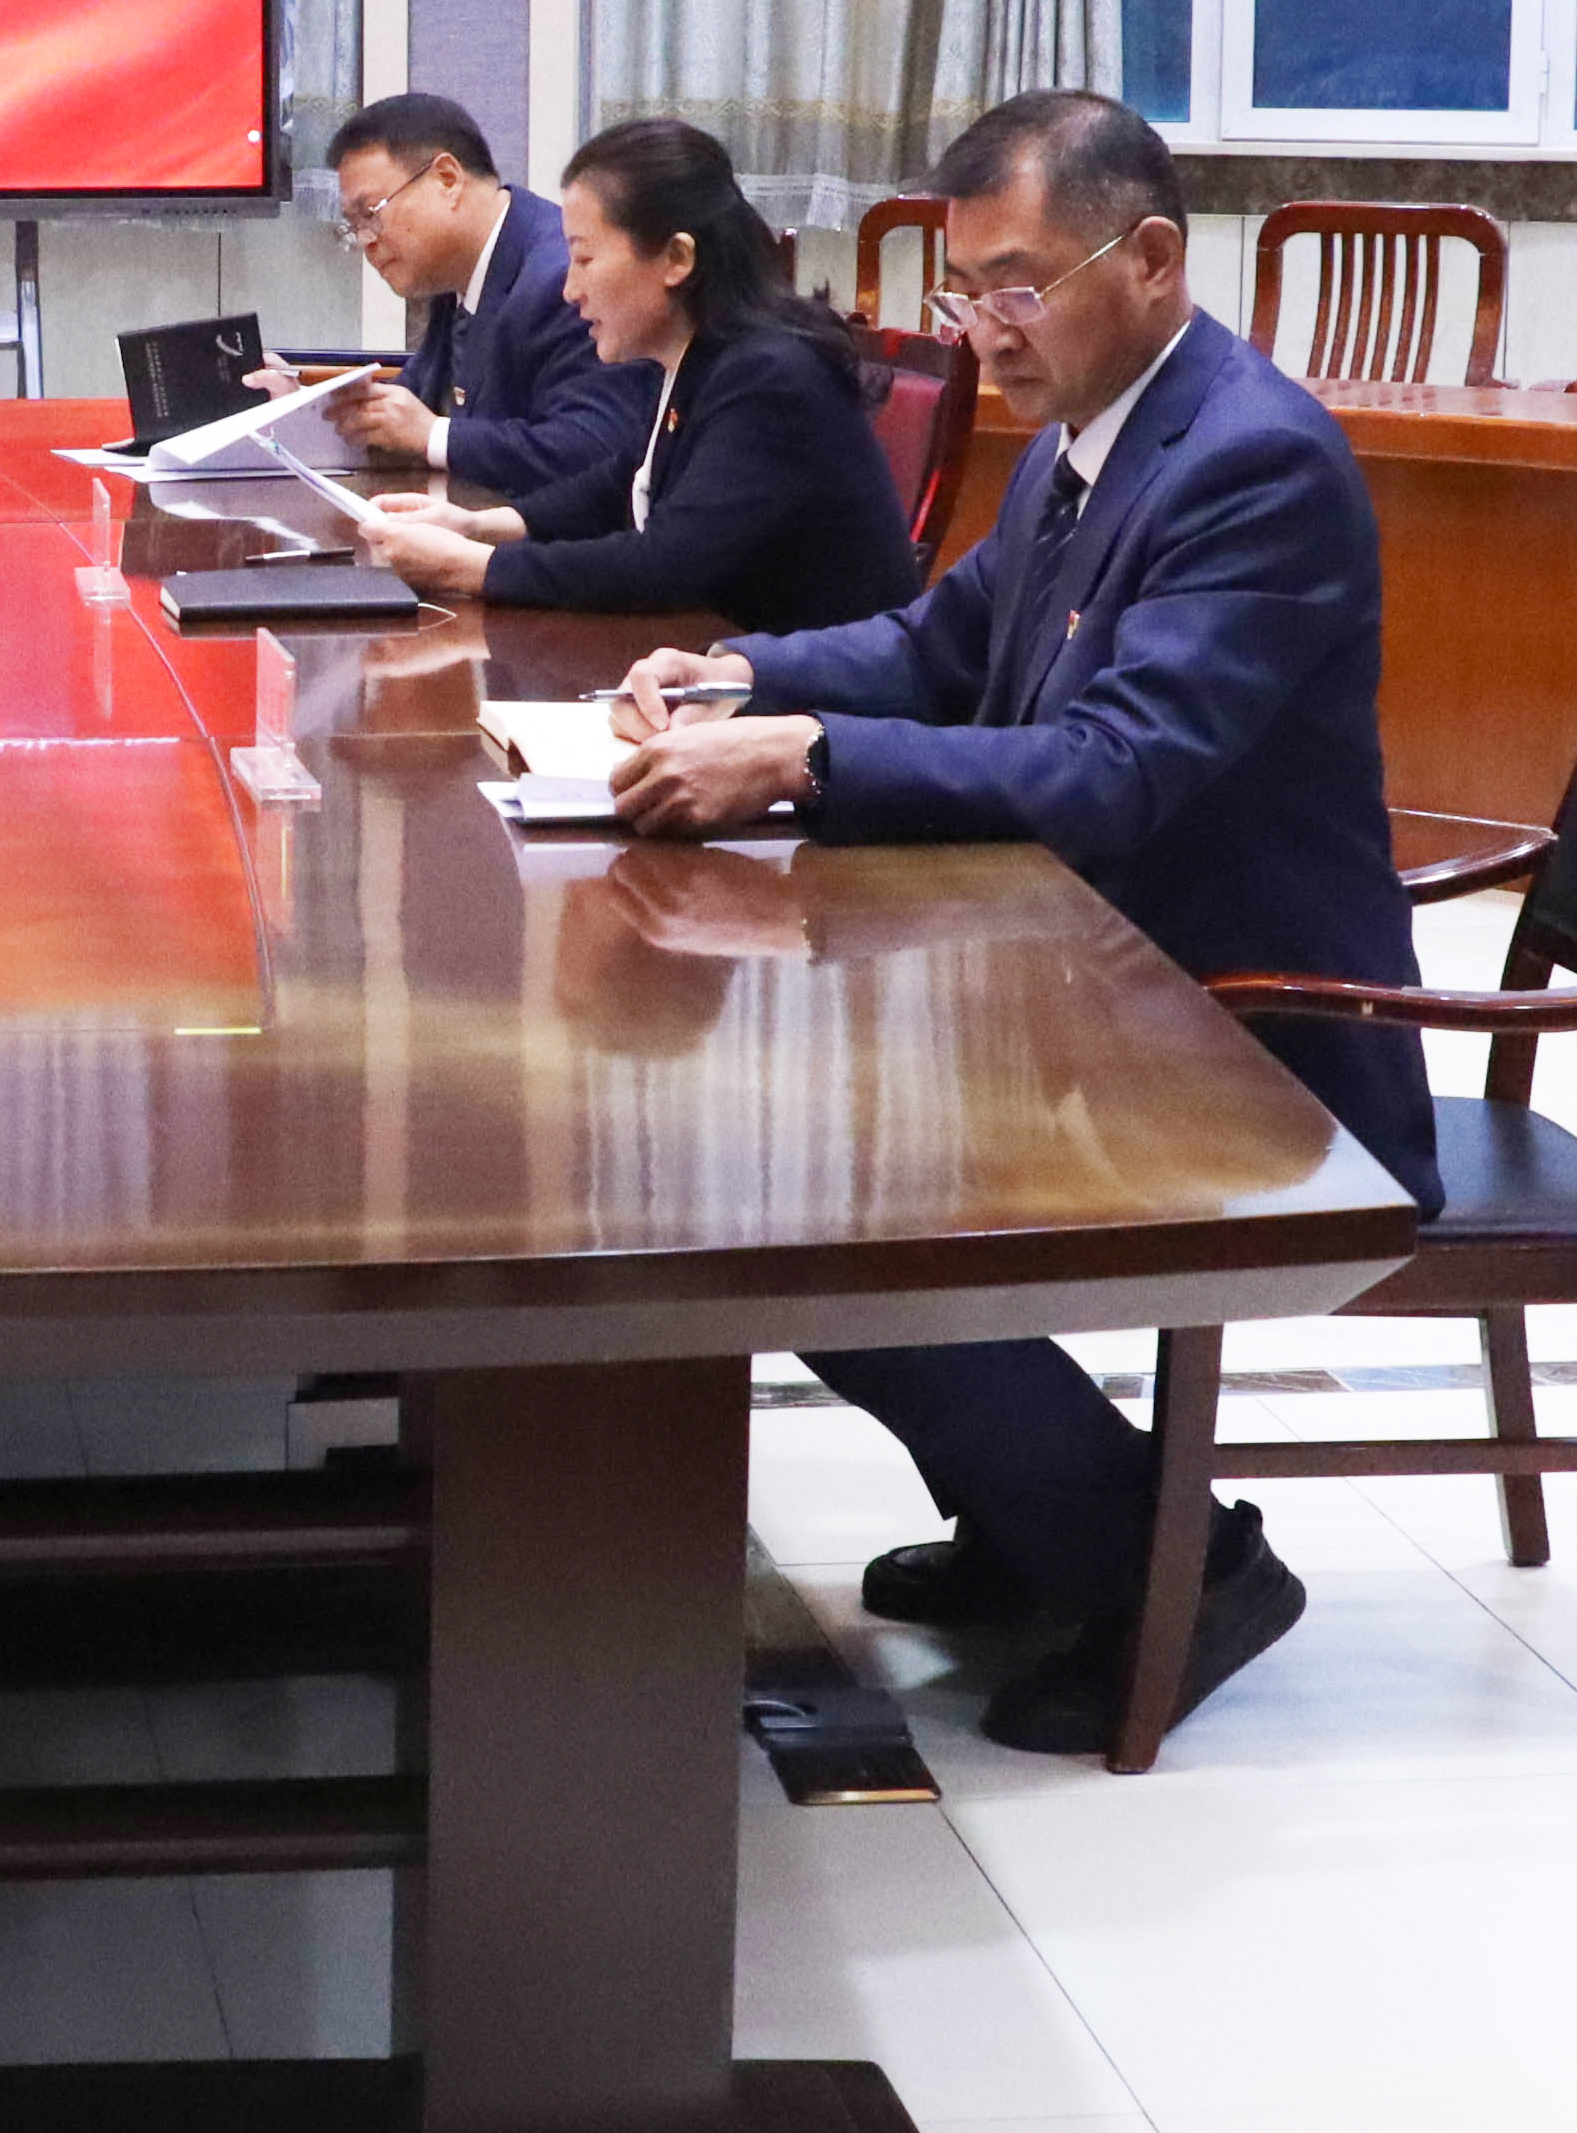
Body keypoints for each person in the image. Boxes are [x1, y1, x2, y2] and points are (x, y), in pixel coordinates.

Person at [601, 88, 1441, 1756]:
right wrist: (737, 675)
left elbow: (1117, 769)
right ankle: (1034, 1522)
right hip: (1090, 973)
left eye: (1015, 286)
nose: (982, 328)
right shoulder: (1088, 434)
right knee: (788, 1162)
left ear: (1148, 260)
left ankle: (1175, 1572)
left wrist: (807, 758)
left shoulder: (1249, 460)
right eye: (962, 288)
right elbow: (937, 644)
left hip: (1245, 1033)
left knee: (818, 1207)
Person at [347, 116, 917, 637]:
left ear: (677, 259)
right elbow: (620, 482)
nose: (570, 289)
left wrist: (468, 566)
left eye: (585, 259)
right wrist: (474, 525)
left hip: (812, 699)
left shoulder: (770, 376)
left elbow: (663, 563)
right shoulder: (703, 357)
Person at [284, 92, 659, 496]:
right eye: (353, 224)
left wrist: (433, 435)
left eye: (371, 213)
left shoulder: (560, 282)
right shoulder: (456, 272)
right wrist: (300, 407)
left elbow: (591, 449)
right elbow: (409, 403)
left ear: (447, 179)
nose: (365, 240)